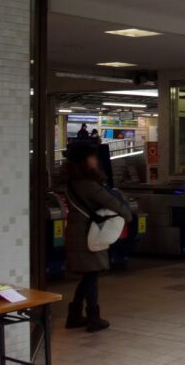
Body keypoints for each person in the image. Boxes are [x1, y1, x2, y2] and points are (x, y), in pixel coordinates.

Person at [62, 142, 132, 332]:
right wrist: (127, 215)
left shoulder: (72, 182)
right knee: (91, 275)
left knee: (89, 275)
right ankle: (93, 318)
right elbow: (110, 201)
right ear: (84, 161)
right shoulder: (87, 184)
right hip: (88, 235)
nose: (95, 160)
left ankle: (75, 315)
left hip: (79, 233)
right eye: (92, 157)